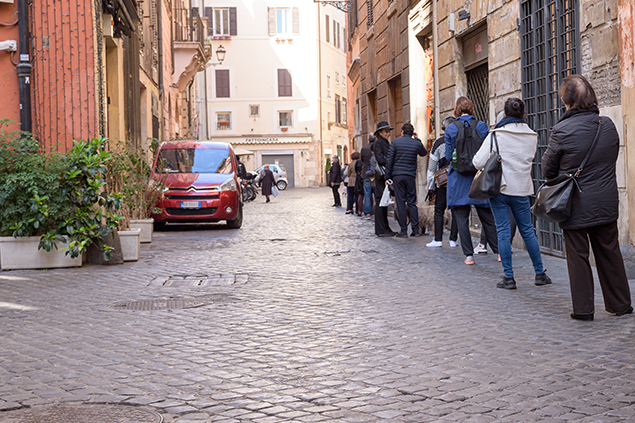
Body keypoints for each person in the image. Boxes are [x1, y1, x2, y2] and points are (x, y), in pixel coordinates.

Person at [541, 75, 632, 320]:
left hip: (575, 204)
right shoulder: (608, 125)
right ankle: (621, 304)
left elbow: (547, 170)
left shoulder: (561, 130)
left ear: (568, 102)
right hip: (605, 200)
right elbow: (610, 158)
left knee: (578, 256)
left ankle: (583, 310)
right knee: (610, 252)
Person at [473, 98, 552, 290]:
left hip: (500, 189)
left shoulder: (496, 135)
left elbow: (477, 162)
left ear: (505, 115)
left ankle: (509, 277)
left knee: (502, 231)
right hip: (521, 189)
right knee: (527, 230)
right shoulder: (532, 135)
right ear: (523, 115)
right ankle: (540, 273)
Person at [445, 96, 499, 265]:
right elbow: (488, 151)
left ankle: (469, 256)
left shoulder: (451, 129)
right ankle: (499, 253)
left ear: (456, 110)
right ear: (472, 109)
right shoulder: (481, 126)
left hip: (458, 179)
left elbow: (448, 156)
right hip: (479, 177)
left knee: (461, 220)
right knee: (487, 218)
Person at [385, 122, 427, 237]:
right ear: (412, 133)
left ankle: (403, 230)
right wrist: (418, 139)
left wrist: (387, 177)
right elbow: (424, 153)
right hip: (410, 176)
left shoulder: (395, 142)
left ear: (402, 132)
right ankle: (416, 230)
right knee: (412, 203)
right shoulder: (415, 143)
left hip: (397, 176)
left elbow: (390, 161)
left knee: (401, 203)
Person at [426, 116, 458, 248]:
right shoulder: (460, 140)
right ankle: (453, 239)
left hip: (443, 182)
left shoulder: (438, 143)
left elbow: (432, 167)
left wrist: (430, 185)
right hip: (458, 181)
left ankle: (438, 239)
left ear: (443, 128)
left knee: (439, 210)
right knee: (457, 210)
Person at [372, 121, 398, 236]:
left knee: (384, 202)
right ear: (380, 132)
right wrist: (392, 161)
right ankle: (381, 230)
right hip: (381, 177)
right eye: (386, 131)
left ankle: (385, 228)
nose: (388, 133)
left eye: (389, 131)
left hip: (384, 176)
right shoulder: (378, 143)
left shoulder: (384, 142)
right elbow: (381, 159)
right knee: (380, 202)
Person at [360, 134, 375, 219]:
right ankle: (379, 212)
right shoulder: (377, 147)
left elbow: (362, 159)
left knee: (367, 194)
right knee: (377, 194)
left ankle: (367, 213)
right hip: (376, 173)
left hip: (366, 172)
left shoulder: (364, 149)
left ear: (368, 139)